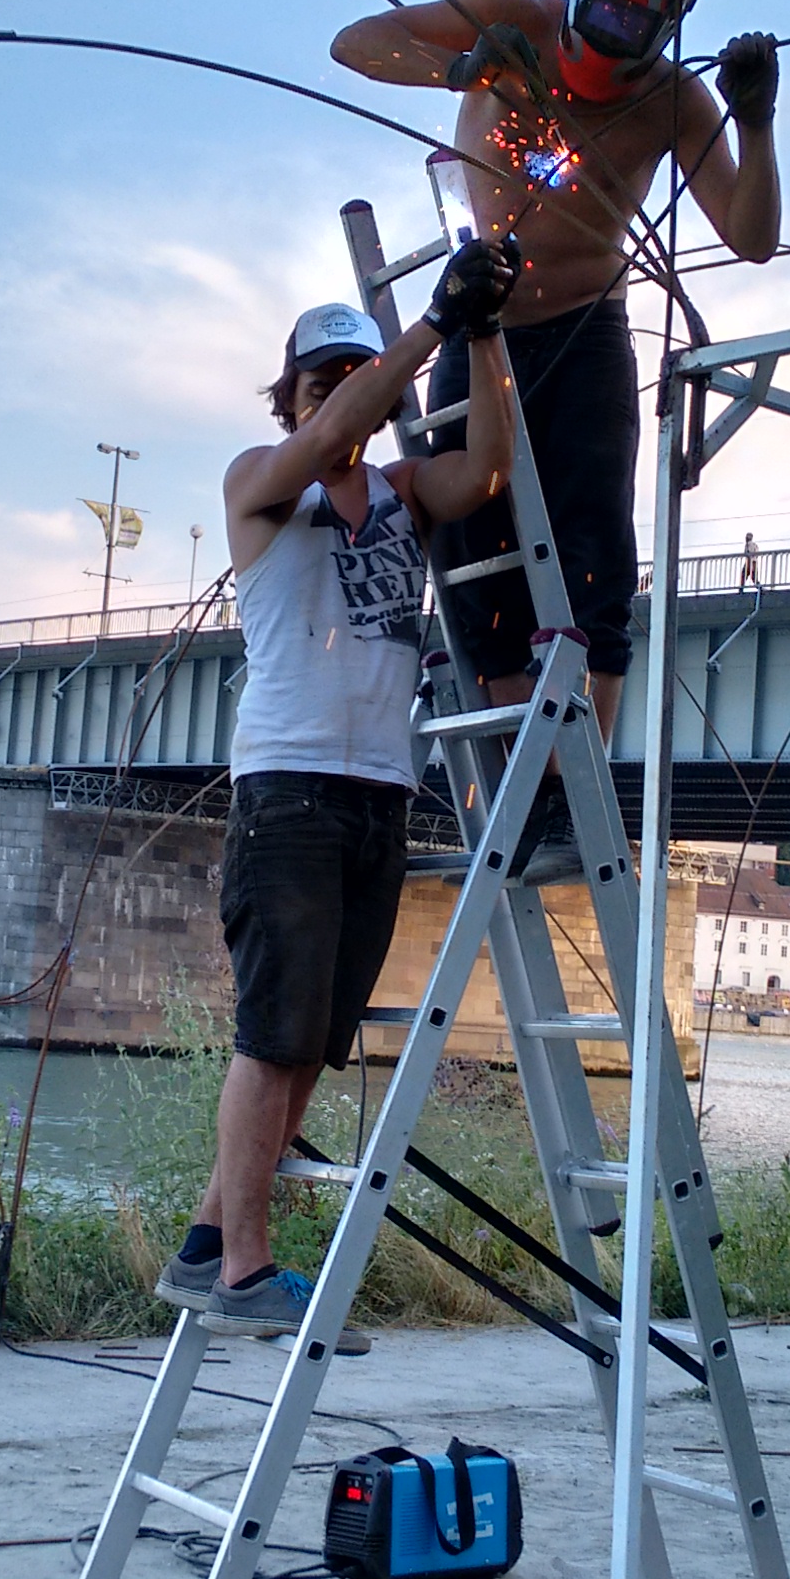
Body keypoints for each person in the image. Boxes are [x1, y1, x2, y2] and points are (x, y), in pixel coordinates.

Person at [331, 0, 781, 861]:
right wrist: (458, 64)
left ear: (663, 30)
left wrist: (754, 120)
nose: (606, 43)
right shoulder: (511, 19)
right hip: (482, 324)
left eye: (631, 31)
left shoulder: (669, 101)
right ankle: (509, 790)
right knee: (472, 546)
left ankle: (572, 790)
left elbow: (751, 236)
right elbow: (356, 43)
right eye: (599, 18)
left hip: (588, 336)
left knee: (593, 564)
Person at [157, 238, 518, 1339]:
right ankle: (245, 1276)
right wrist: (430, 328)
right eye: (326, 380)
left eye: (359, 377)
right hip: (290, 790)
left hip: (378, 796)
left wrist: (486, 328)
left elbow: (486, 471)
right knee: (272, 1038)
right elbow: (324, 437)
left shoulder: (404, 495)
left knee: (312, 1041)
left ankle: (207, 1248)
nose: (346, 398)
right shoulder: (260, 486)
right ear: (293, 393)